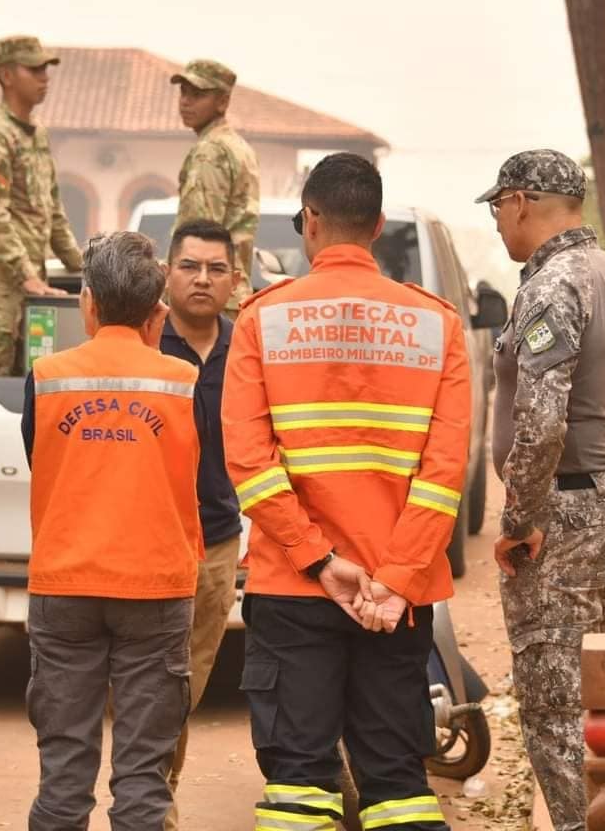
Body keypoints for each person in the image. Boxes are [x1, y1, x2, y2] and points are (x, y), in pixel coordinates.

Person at [222, 152, 470, 831]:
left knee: (298, 786)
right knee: (397, 785)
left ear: (310, 220)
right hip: (397, 600)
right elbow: (444, 474)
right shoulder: (436, 324)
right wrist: (394, 580)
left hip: (293, 585)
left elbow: (250, 463)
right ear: (378, 225)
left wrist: (317, 558)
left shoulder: (262, 318)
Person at [480, 149, 605, 831]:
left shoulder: (551, 285)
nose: (498, 222)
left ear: (519, 201)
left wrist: (521, 519)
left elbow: (542, 417)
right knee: (584, 691)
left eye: (498, 207)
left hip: (562, 513)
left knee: (553, 707)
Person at [20, 231, 202, 830]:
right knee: (143, 780)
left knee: (63, 777)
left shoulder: (47, 376)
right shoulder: (184, 381)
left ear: (89, 302)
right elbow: (202, 474)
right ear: (157, 309)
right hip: (156, 588)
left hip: (65, 584)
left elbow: (39, 457)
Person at [157, 218, 245, 831]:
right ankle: (151, 805)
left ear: (234, 280)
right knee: (150, 680)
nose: (202, 279)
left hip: (217, 541)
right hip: (152, 541)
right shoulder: (148, 344)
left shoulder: (247, 350)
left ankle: (155, 794)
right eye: (190, 266)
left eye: (216, 269)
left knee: (186, 679)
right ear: (168, 274)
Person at [0, 35, 84, 375]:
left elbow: (52, 209)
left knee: (31, 375)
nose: (45, 78)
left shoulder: (37, 133)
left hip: (33, 279)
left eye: (46, 69)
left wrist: (80, 265)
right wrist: (25, 274)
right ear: (6, 75)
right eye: (34, 70)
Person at [169, 58, 260, 314]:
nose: (186, 102)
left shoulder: (210, 150)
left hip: (205, 299)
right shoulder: (237, 145)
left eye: (198, 95)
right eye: (184, 92)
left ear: (222, 101)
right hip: (228, 293)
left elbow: (199, 235)